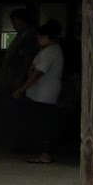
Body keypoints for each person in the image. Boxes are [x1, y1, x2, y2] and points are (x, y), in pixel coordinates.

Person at [15, 20, 65, 164]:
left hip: (44, 94)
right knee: (43, 123)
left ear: (47, 38)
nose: (37, 39)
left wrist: (21, 89)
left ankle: (45, 153)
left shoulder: (49, 52)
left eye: (39, 37)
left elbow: (36, 74)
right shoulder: (52, 50)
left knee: (43, 124)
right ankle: (43, 152)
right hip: (45, 93)